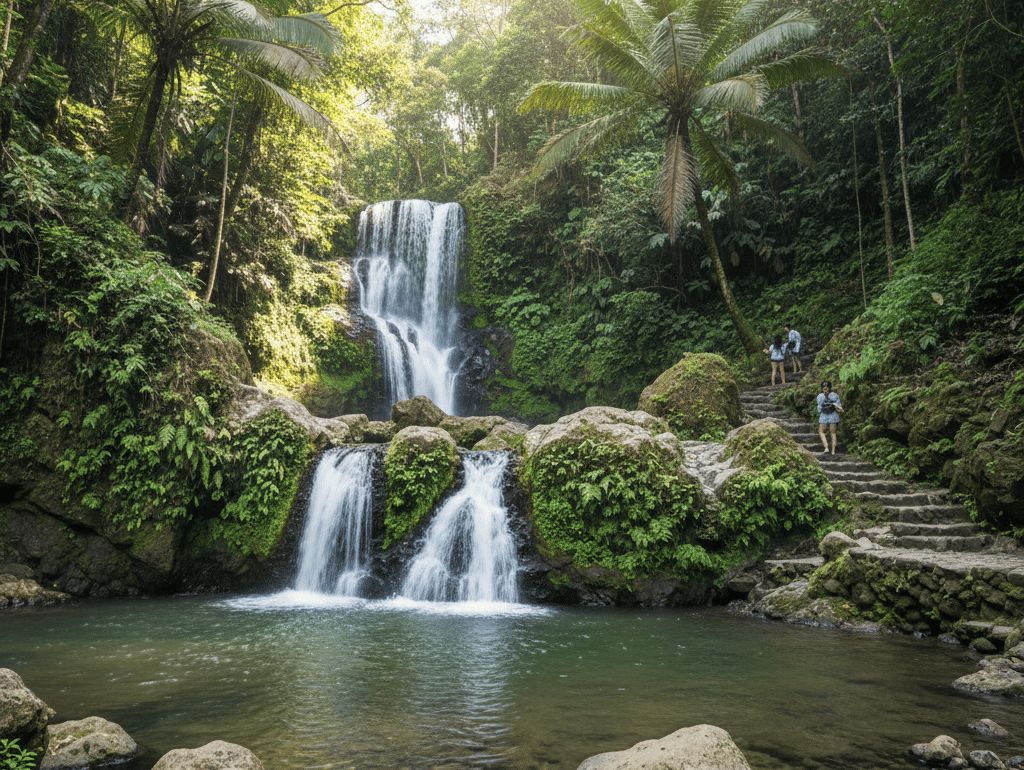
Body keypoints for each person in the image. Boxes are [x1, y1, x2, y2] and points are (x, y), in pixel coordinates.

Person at [816, 380, 844, 455]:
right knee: (832, 433)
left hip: (826, 415)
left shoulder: (820, 396)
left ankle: (827, 448)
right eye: (824, 386)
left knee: (823, 432)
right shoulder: (834, 395)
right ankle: (832, 450)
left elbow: (819, 408)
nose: (825, 388)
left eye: (826, 386)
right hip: (831, 415)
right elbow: (838, 405)